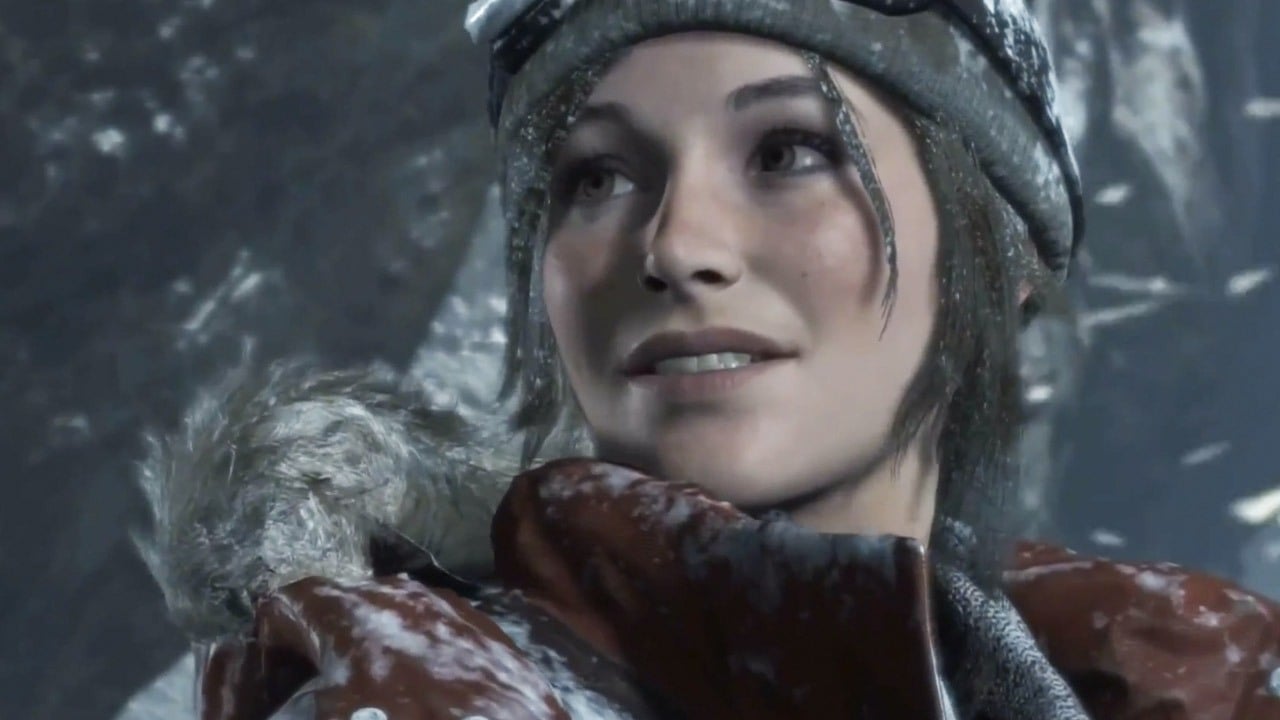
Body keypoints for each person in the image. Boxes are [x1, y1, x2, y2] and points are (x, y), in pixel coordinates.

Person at [135, 1, 1280, 718]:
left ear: (998, 249)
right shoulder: (399, 693)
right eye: (595, 175)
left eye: (786, 152)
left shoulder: (1182, 677)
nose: (675, 246)